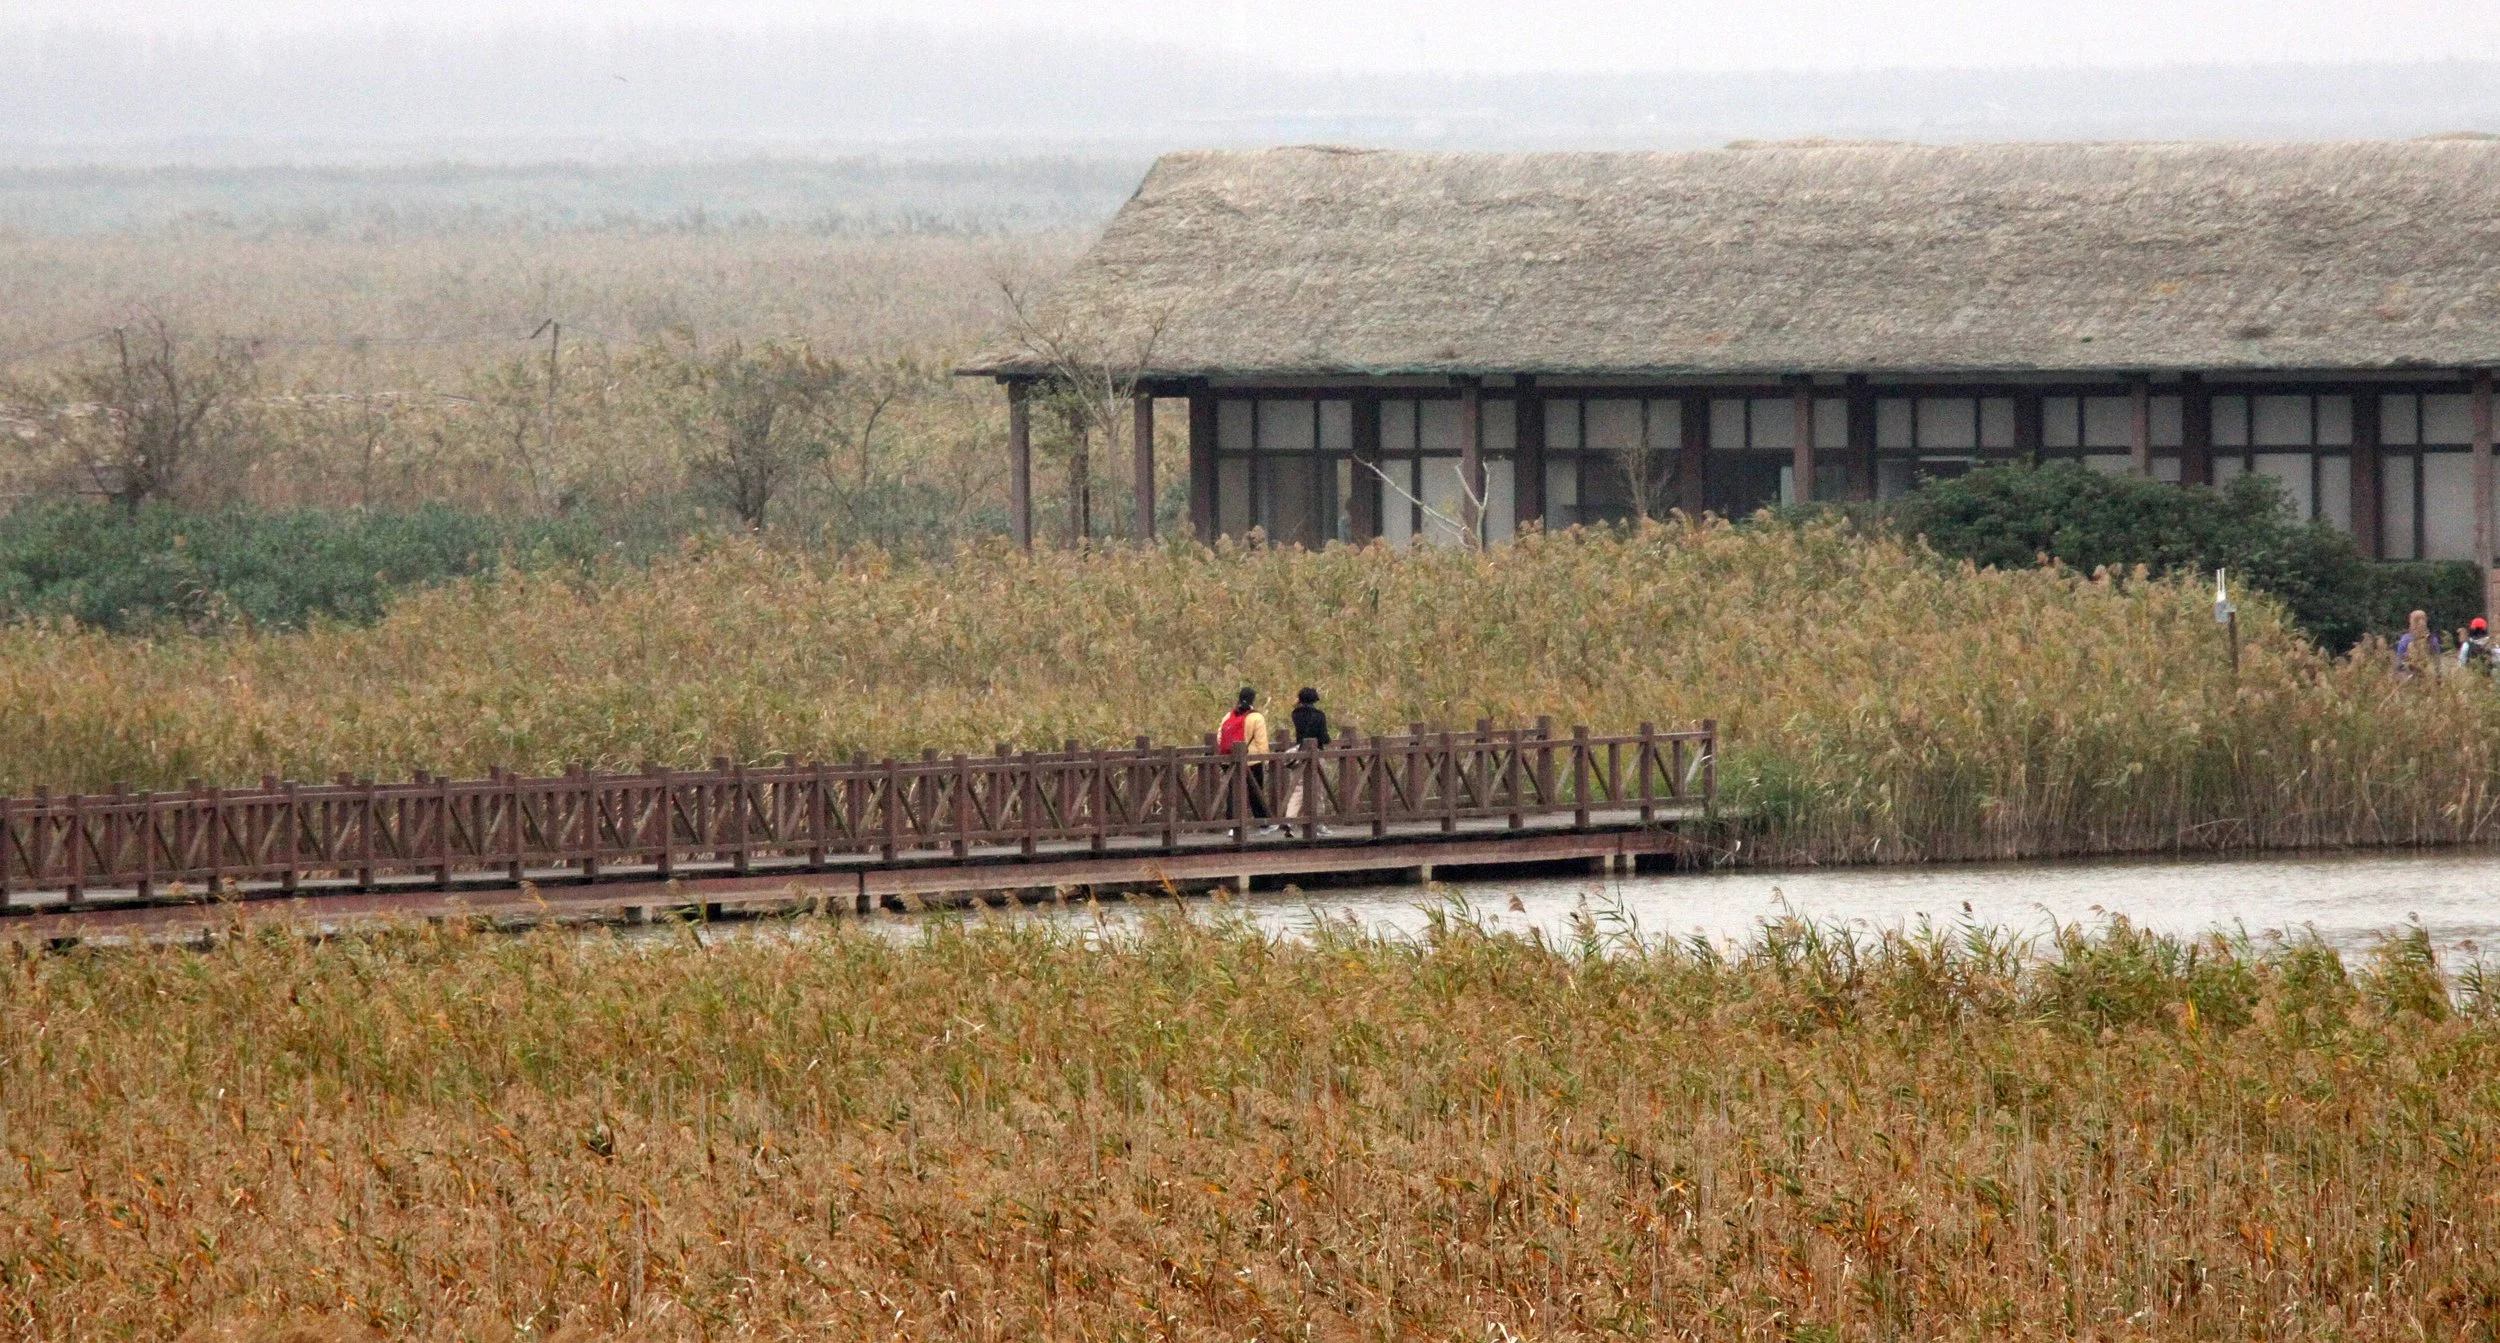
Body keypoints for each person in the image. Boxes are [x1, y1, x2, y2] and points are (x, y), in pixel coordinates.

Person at [1217, 686, 1277, 834]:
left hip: (1230, 760)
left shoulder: (1228, 716)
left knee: (1233, 792)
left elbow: (1220, 737)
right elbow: (1262, 743)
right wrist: (1265, 759)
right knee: (1255, 791)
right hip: (1252, 761)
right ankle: (1263, 823)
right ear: (1253, 699)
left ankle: (1232, 825)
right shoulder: (1256, 717)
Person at [1284, 687, 1333, 831]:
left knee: (1298, 788)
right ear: (1315, 699)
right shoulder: (1319, 715)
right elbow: (1324, 737)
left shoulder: (1295, 714)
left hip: (1300, 752)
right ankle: (1318, 824)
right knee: (1318, 790)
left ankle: (1289, 820)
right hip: (1315, 754)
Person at [2396, 609, 2444, 680]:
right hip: (2409, 679)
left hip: (2427, 679)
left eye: (2423, 620)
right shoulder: (2405, 640)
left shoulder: (2432, 640)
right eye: (2416, 620)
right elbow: (2399, 664)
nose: (2420, 623)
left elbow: (2437, 664)